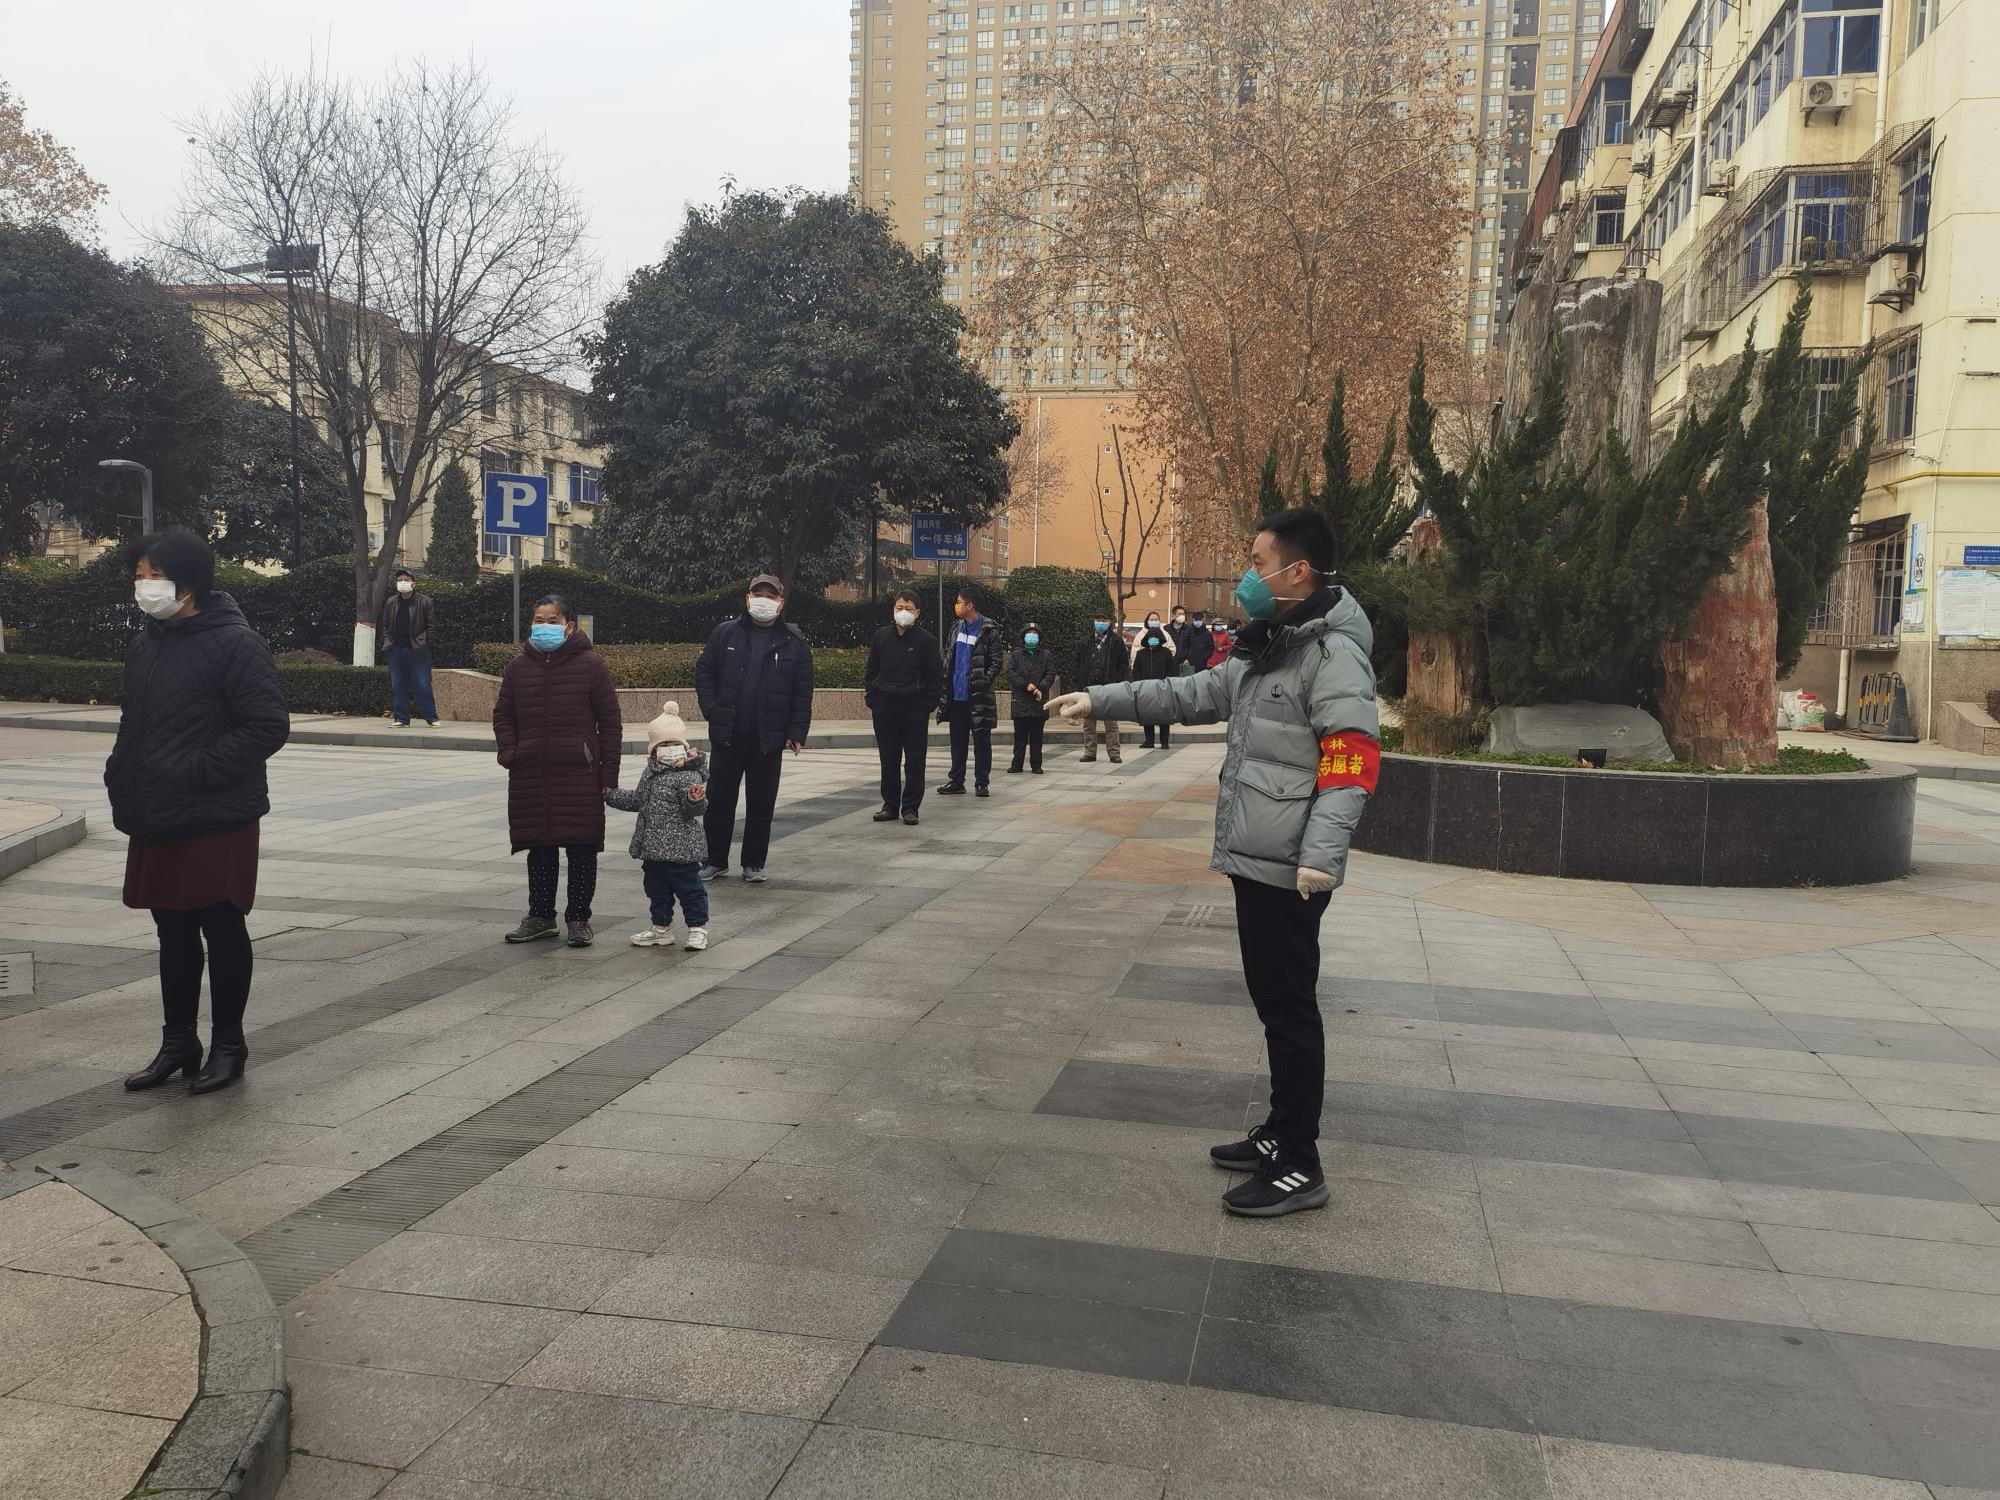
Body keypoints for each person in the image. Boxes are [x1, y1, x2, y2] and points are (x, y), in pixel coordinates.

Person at [1048, 508, 1380, 1219]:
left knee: (1289, 1009)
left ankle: (1300, 1162)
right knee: (1272, 1002)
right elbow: (1188, 693)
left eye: (1258, 563)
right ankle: (1280, 1131)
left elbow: (1352, 758)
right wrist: (1099, 698)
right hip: (1258, 854)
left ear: (1297, 572)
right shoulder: (1273, 646)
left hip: (1291, 865)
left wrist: (1321, 859)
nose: (1247, 576)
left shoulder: (1331, 655)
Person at [110, 529, 289, 1095]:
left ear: (188, 583)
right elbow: (134, 720)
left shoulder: (236, 642)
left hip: (217, 812)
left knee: (220, 923)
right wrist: (121, 771)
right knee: (171, 926)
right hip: (158, 807)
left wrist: (194, 768)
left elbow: (266, 726)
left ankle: (229, 1045)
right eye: (139, 577)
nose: (144, 586)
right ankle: (178, 1042)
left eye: (155, 576)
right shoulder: (146, 643)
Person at [493, 594, 622, 947]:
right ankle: (540, 916)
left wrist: (608, 775)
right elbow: (503, 715)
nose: (545, 626)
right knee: (540, 845)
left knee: (582, 848)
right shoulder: (518, 667)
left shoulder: (591, 664)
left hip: (580, 773)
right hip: (531, 772)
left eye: (552, 621)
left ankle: (579, 919)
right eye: (539, 620)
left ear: (568, 626)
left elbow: (610, 722)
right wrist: (511, 753)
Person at [694, 574, 813, 882]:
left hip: (768, 738)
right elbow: (704, 671)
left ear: (781, 602)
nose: (763, 600)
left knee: (761, 803)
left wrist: (797, 731)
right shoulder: (725, 634)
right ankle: (714, 860)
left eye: (770, 596)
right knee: (719, 801)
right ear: (747, 599)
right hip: (728, 734)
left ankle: (754, 863)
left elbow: (802, 691)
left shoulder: (795, 642)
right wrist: (712, 709)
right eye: (758, 594)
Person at [606, 701, 711, 952]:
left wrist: (695, 799)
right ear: (653, 750)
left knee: (690, 889)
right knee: (656, 890)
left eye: (674, 744)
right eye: (663, 745)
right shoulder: (650, 772)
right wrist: (611, 795)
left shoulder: (688, 774)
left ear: (684, 747)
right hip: (653, 848)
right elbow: (638, 800)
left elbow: (694, 810)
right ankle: (661, 929)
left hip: (681, 848)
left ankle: (697, 929)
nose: (669, 749)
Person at [865, 591, 943, 825]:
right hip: (885, 708)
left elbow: (935, 676)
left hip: (914, 709)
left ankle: (910, 808)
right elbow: (871, 671)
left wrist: (927, 705)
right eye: (899, 607)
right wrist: (873, 698)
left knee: (915, 760)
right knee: (888, 759)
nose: (903, 612)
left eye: (908, 608)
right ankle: (890, 805)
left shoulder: (927, 641)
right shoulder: (881, 637)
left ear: (917, 612)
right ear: (893, 609)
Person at [938, 589, 1003, 798]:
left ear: (970, 605)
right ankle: (956, 780)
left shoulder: (988, 630)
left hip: (978, 697)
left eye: (960, 602)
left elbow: (996, 662)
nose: (957, 605)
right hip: (956, 696)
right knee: (957, 741)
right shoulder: (956, 627)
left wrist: (984, 681)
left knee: (982, 741)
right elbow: (948, 656)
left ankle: (982, 783)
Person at [378, 568, 439, 728]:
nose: (402, 582)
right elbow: (384, 625)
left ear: (413, 583)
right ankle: (401, 719)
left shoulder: (425, 601)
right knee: (398, 685)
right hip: (396, 649)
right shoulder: (391, 602)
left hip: (418, 649)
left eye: (406, 579)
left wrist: (425, 643)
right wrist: (388, 642)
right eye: (399, 580)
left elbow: (431, 626)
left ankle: (432, 718)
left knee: (423, 684)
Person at [1072, 609, 1129, 764]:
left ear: (1109, 622)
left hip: (1109, 689)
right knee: (1088, 723)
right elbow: (1076, 664)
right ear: (1094, 621)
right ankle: (1090, 752)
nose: (1101, 623)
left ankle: (1114, 753)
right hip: (1089, 689)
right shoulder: (1085, 642)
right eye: (1098, 620)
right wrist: (1079, 681)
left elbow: (1123, 665)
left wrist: (1116, 680)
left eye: (1104, 620)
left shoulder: (1117, 642)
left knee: (1111, 724)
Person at [1006, 621, 1057, 774]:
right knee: (1019, 737)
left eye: (1035, 634)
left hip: (1038, 701)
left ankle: (1036, 765)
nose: (1032, 637)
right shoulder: (1016, 655)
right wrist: (1025, 685)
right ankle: (1017, 764)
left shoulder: (1046, 655)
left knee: (1037, 737)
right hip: (1020, 701)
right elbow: (1010, 672)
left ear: (1040, 638)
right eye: (1029, 634)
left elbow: (1050, 673)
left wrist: (1040, 687)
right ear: (1023, 637)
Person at [1131, 618, 1178, 749]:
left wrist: (1167, 684)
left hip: (1163, 688)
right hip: (1145, 689)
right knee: (1147, 715)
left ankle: (1164, 741)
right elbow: (1136, 671)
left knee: (1164, 716)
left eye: (1156, 638)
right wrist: (1139, 684)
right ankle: (1149, 740)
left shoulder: (1166, 652)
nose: (1153, 640)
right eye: (1151, 638)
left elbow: (1172, 670)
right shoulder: (1141, 654)